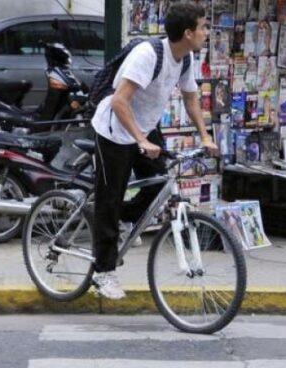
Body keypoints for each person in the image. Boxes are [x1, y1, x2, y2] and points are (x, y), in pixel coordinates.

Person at [89, 3, 217, 300]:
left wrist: (204, 135)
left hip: (143, 127)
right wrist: (140, 141)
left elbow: (190, 98)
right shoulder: (147, 55)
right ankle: (103, 272)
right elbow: (120, 101)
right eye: (203, 27)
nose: (206, 33)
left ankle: (122, 220)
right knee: (109, 199)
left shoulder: (185, 58)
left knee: (159, 185)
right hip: (114, 130)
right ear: (188, 33)